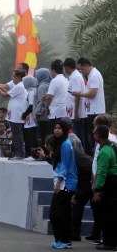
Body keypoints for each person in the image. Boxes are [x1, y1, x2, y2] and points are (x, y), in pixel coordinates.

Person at [86, 114, 117, 243]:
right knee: (99, 210)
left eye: (95, 125)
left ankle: (106, 238)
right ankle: (100, 233)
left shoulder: (108, 143)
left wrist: (97, 186)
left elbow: (102, 167)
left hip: (105, 181)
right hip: (99, 178)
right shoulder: (105, 142)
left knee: (105, 211)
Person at [48, 120, 78, 249]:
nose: (56, 130)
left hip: (66, 183)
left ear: (65, 130)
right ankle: (60, 238)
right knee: (54, 213)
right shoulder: (59, 144)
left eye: (59, 128)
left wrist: (59, 181)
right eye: (55, 128)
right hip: (61, 182)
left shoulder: (65, 144)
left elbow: (65, 165)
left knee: (61, 214)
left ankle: (65, 240)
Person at [72, 58, 105, 157]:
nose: (82, 71)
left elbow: (93, 93)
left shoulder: (94, 75)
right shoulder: (91, 75)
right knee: (90, 135)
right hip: (91, 110)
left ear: (86, 65)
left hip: (95, 111)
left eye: (82, 69)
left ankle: (95, 155)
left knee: (94, 135)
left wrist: (79, 94)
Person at [0, 70, 27, 159]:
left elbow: (5, 94)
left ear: (18, 78)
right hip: (15, 115)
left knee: (17, 135)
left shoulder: (19, 86)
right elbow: (7, 90)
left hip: (17, 115)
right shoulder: (18, 86)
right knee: (16, 135)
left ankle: (19, 154)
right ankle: (16, 153)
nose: (12, 78)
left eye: (13, 76)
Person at [63, 58, 87, 150]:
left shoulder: (76, 77)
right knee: (77, 134)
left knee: (78, 136)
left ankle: (80, 154)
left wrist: (76, 112)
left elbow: (77, 95)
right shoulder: (74, 76)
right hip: (72, 111)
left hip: (76, 112)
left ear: (67, 67)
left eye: (65, 67)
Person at [45, 59, 68, 134]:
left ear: (53, 70)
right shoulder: (65, 80)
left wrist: (47, 106)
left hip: (56, 112)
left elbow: (49, 97)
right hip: (64, 111)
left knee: (54, 133)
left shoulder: (54, 81)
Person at [21, 76, 39, 157]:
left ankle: (34, 155)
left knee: (32, 138)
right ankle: (29, 154)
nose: (23, 84)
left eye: (24, 81)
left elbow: (31, 106)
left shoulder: (32, 92)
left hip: (31, 119)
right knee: (28, 137)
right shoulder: (28, 91)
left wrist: (24, 114)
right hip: (28, 120)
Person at [34, 68, 51, 139]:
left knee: (44, 138)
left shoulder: (42, 87)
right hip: (49, 115)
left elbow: (42, 101)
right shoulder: (50, 85)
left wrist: (37, 114)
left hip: (43, 117)